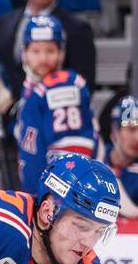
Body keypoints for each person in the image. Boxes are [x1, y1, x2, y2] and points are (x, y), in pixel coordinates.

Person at [0, 0, 99, 153]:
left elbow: (85, 83)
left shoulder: (77, 28)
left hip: (54, 131)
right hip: (9, 122)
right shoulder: (6, 22)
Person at [12, 13, 96, 191]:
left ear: (61, 53)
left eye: (50, 50)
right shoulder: (31, 88)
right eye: (36, 51)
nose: (43, 58)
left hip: (60, 188)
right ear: (24, 53)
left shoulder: (66, 84)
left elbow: (74, 148)